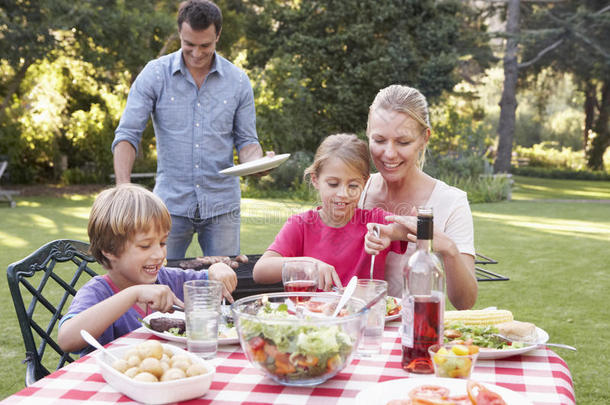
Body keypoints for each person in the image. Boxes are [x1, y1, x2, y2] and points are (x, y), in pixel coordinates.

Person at [112, 0, 270, 260]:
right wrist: (123, 189)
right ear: (180, 35)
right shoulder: (155, 74)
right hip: (168, 206)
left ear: (218, 35)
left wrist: (258, 163)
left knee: (226, 284)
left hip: (222, 206)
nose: (196, 53)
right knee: (157, 283)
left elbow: (246, 141)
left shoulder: (238, 81)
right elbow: (127, 135)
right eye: (189, 45)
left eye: (205, 45)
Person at [57, 183, 237, 355]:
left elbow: (208, 281)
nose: (159, 254)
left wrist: (218, 269)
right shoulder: (98, 292)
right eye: (145, 246)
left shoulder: (168, 279)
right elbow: (66, 340)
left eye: (162, 242)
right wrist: (133, 294)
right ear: (110, 250)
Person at [359, 84, 478, 310]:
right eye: (379, 140)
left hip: (417, 336)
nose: (389, 153)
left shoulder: (451, 203)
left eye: (403, 142)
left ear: (425, 139)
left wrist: (448, 249)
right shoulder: (356, 191)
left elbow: (465, 302)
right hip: (356, 336)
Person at [252, 134, 408, 291]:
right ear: (315, 180)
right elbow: (260, 271)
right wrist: (307, 264)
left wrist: (393, 232)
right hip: (312, 314)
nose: (343, 194)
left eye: (353, 186)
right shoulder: (301, 225)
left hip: (363, 314)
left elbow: (416, 229)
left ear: (365, 183)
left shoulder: (375, 222)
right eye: (333, 184)